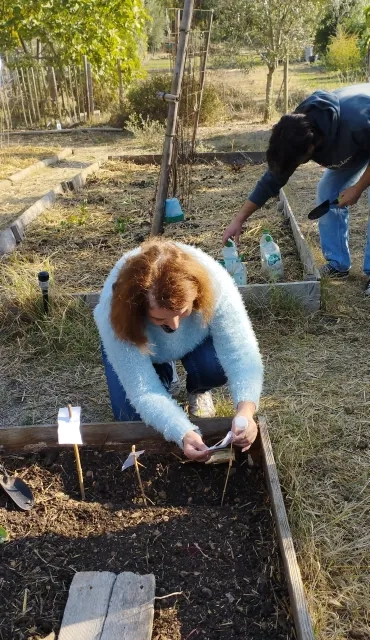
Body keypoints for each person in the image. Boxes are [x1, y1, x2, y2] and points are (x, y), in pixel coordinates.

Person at [94, 239, 263, 462]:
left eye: (182, 312)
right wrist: (182, 431)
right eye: (158, 317)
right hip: (146, 348)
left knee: (215, 366)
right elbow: (142, 390)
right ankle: (163, 371)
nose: (173, 326)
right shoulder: (115, 312)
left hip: (195, 340)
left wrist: (246, 410)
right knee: (131, 418)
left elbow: (242, 355)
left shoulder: (215, 281)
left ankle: (199, 387)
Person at [223, 84, 370, 295]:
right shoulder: (296, 133)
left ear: (311, 148)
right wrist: (239, 219)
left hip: (364, 131)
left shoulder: (355, 119)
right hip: (357, 147)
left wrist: (357, 188)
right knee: (327, 191)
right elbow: (271, 181)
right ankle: (338, 264)